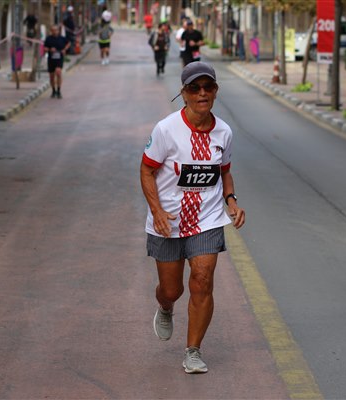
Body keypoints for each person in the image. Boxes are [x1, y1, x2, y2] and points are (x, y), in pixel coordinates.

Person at [140, 62, 246, 373]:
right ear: (184, 93)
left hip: (207, 220)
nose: (202, 93)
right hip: (168, 222)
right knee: (172, 289)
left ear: (216, 91)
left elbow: (224, 172)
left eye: (208, 87)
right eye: (194, 88)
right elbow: (146, 170)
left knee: (202, 280)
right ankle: (165, 306)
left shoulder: (224, 132)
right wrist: (157, 211)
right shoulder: (166, 129)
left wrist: (231, 201)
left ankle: (193, 351)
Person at [43, 25, 70, 99]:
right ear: (51, 31)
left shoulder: (62, 38)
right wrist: (49, 49)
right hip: (51, 59)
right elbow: (45, 48)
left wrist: (64, 49)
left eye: (56, 30)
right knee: (51, 76)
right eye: (53, 30)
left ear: (58, 31)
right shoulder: (48, 39)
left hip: (59, 58)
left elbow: (68, 43)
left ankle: (58, 90)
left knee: (58, 73)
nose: (55, 32)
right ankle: (53, 90)